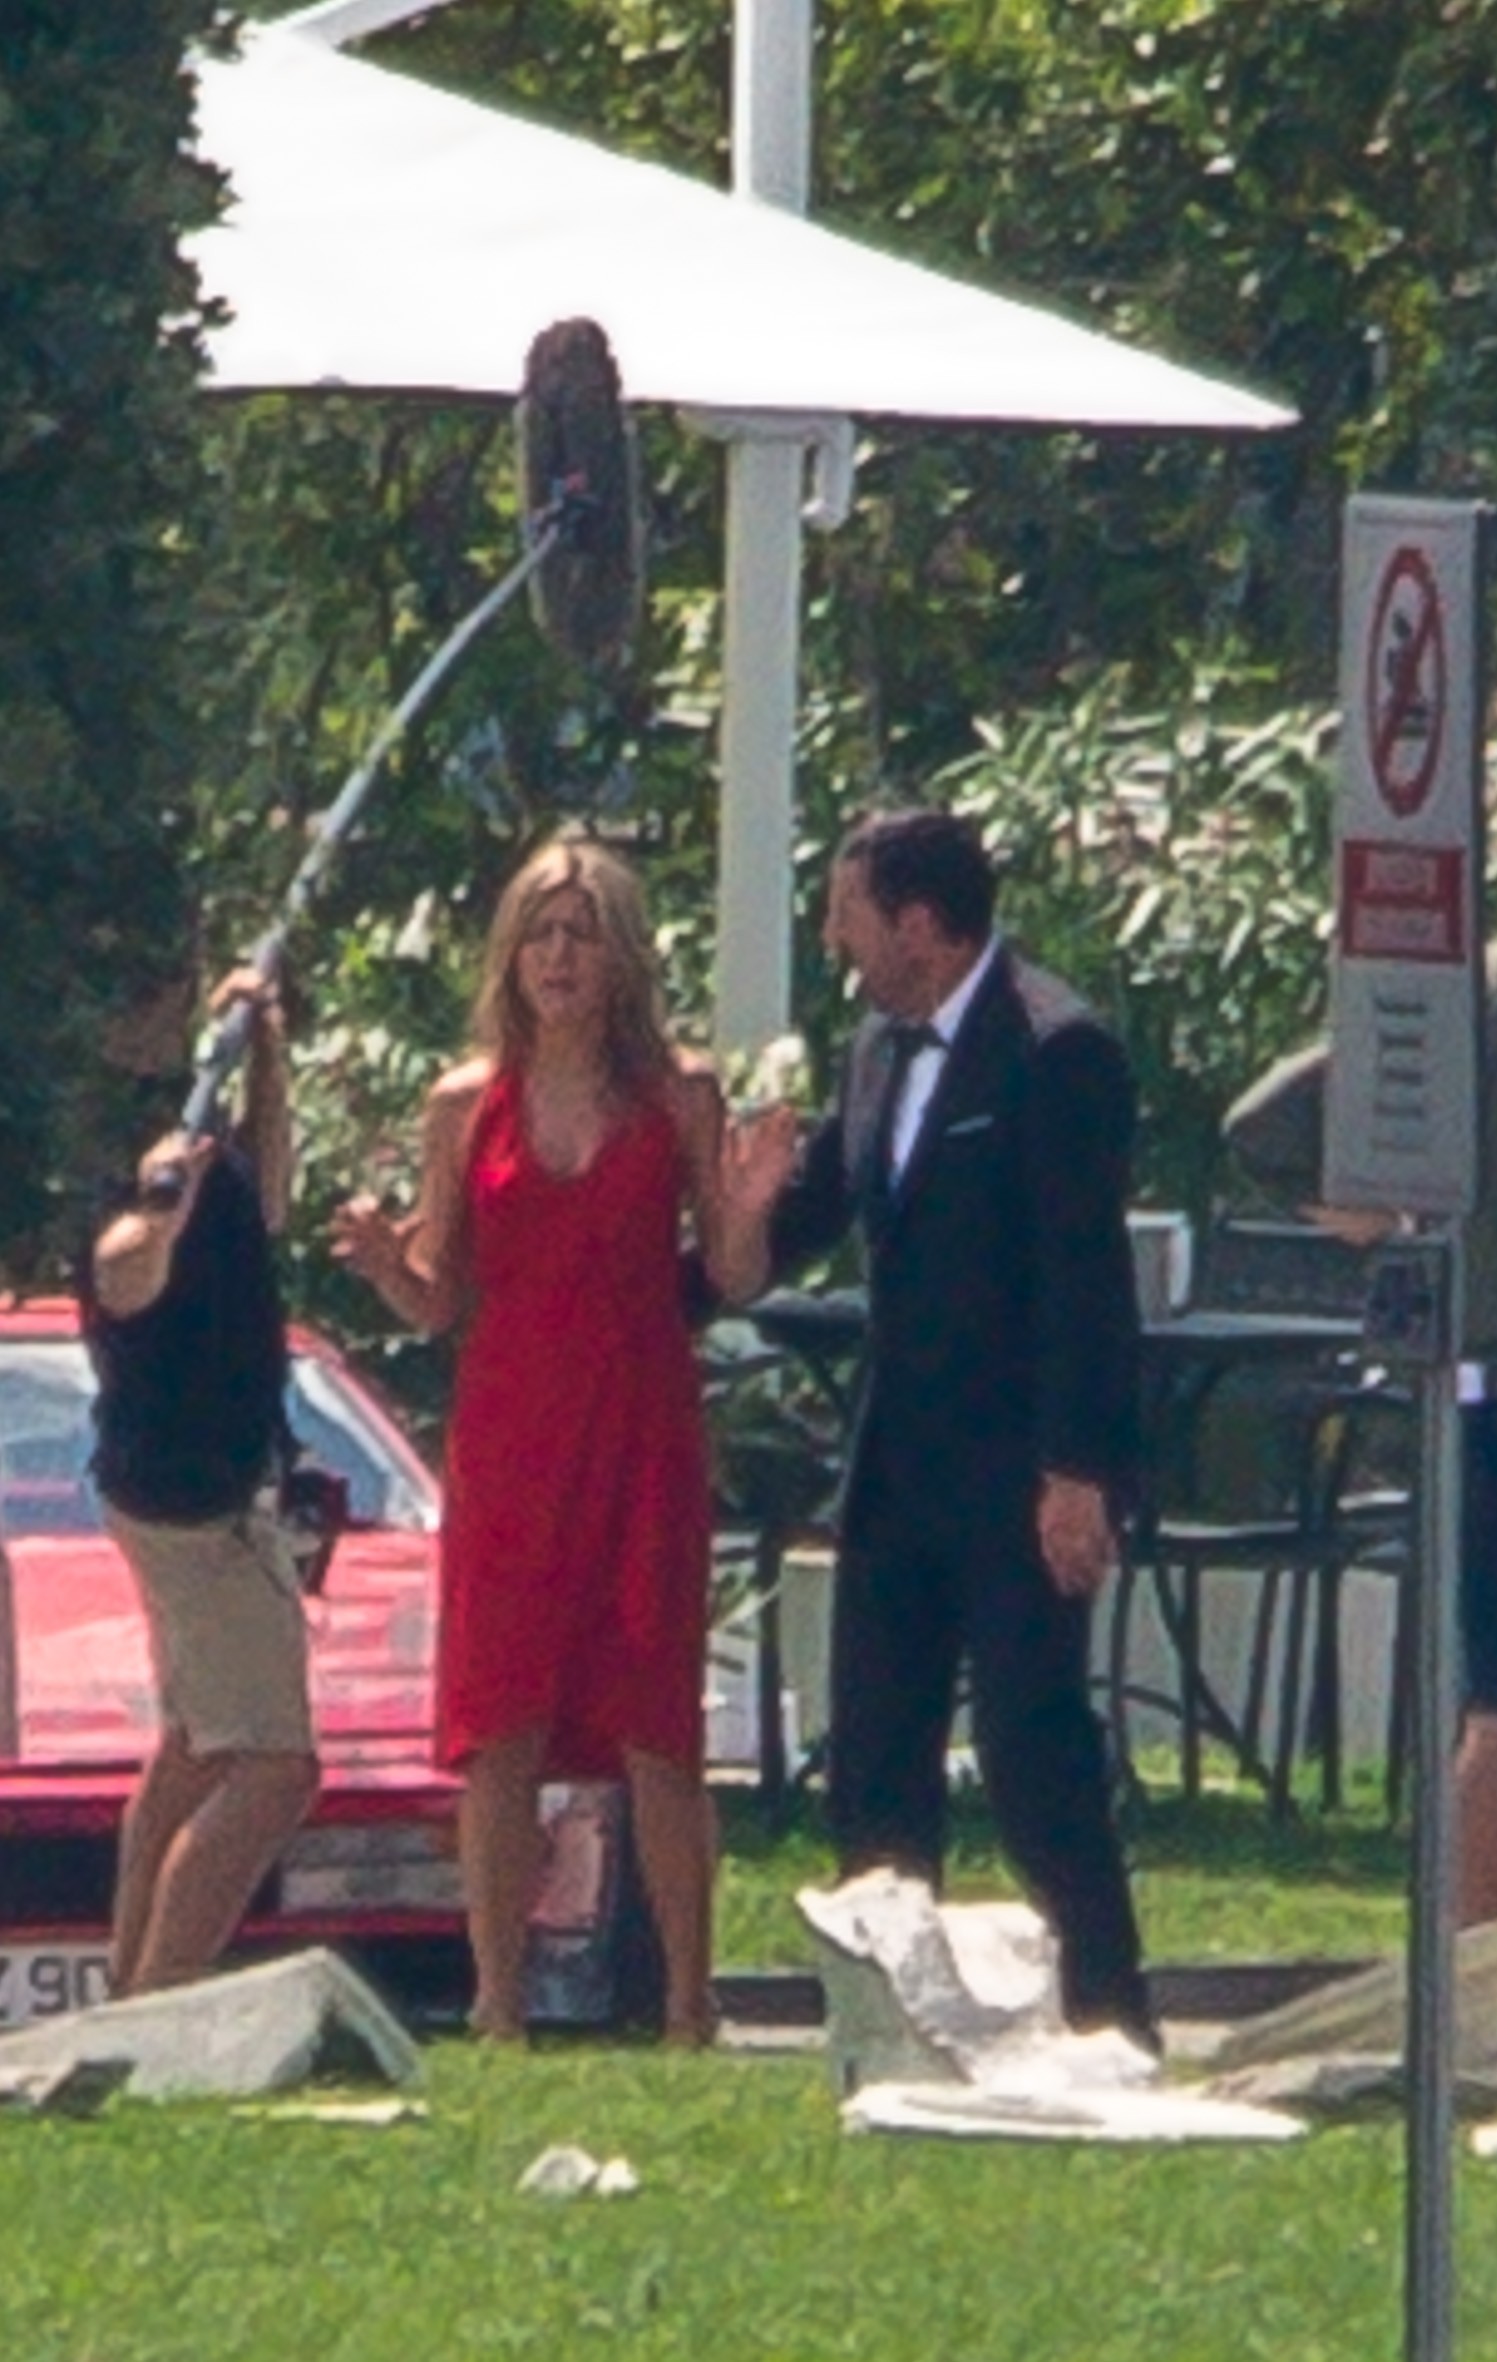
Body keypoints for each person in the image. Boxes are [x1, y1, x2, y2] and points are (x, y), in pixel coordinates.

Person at [721, 807, 1155, 2047]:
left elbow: (1084, 1277)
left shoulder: (1056, 1048)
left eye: (847, 914)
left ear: (920, 922)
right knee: (874, 1759)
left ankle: (1110, 2015)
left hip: (1020, 1474)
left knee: (1032, 1752)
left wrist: (1078, 1471)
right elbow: (797, 1224)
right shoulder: (874, 1050)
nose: (834, 940)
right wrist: (734, 1212)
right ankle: (890, 2026)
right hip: (896, 1473)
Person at [331, 837, 723, 2043]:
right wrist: (383, 1263)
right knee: (499, 1726)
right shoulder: (465, 1102)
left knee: (657, 1724)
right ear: (510, 954)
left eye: (583, 934)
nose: (560, 957)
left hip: (641, 1425)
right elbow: (438, 1297)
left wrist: (752, 1197)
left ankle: (689, 2004)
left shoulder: (679, 1094)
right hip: (511, 1434)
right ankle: (497, 2003)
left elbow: (736, 1268)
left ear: (621, 956)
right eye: (541, 934)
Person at [1225, 757, 1497, 1926]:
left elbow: (1263, 1120)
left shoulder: (1466, 998)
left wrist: (1371, 1200)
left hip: (1489, 1402)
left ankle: (1477, 1983)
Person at [84, 967, 319, 1996]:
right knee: (275, 1767)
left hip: (213, 1491)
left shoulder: (216, 1168)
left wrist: (264, 1043)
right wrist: (160, 1204)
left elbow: (268, 1188)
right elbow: (120, 1274)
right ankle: (168, 1982)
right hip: (191, 1512)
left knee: (193, 1746)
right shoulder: (133, 1187)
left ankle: (129, 1981)